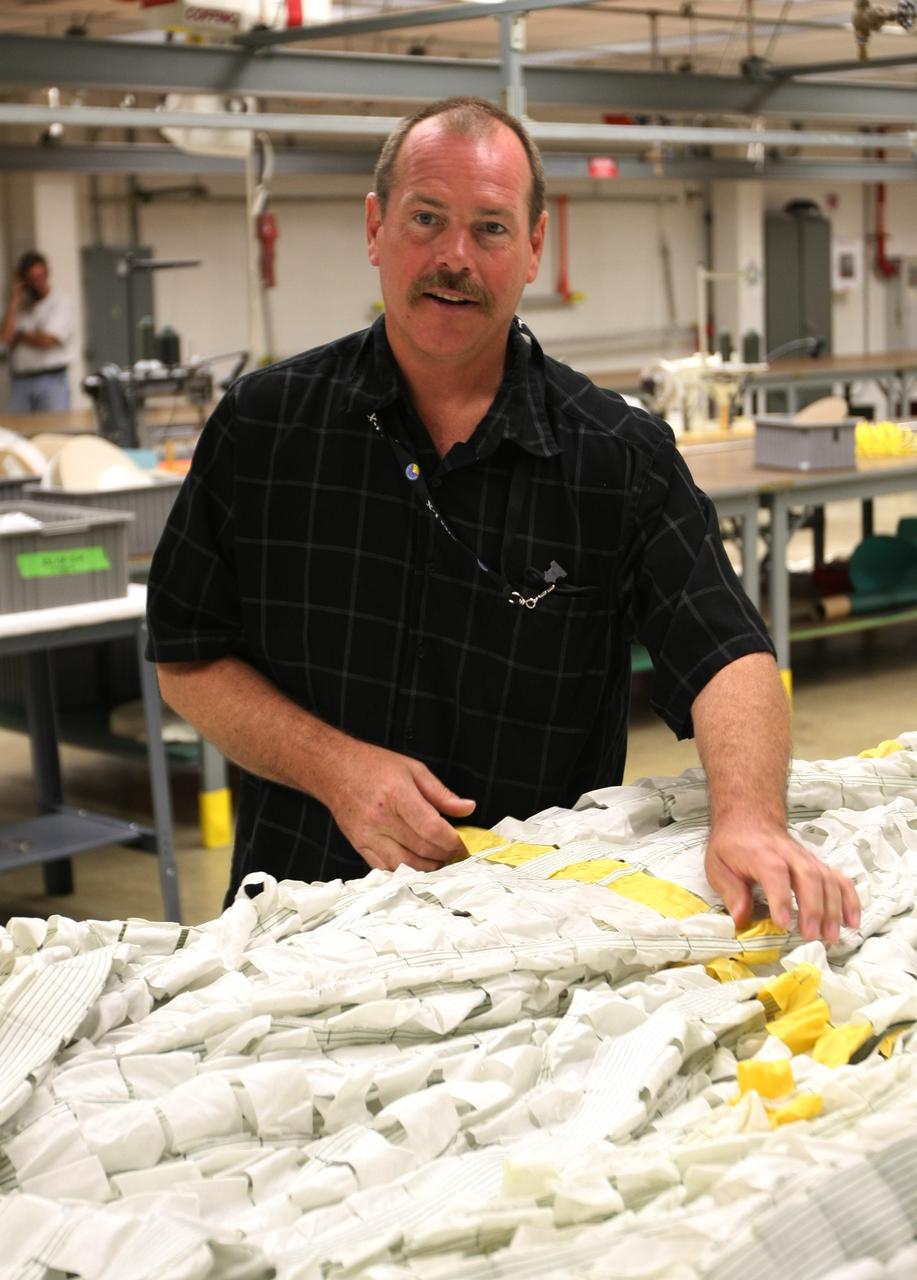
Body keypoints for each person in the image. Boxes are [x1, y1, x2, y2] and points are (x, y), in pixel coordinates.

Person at [147, 96, 860, 943]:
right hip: (297, 917)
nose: (453, 257)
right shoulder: (265, 426)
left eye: (489, 228)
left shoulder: (615, 457)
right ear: (375, 228)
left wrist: (749, 817)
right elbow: (188, 657)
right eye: (425, 219)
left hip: (531, 929)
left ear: (533, 248)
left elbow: (724, 652)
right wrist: (336, 769)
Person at [2, 250, 74, 413]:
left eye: (41, 277)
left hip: (52, 380)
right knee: (18, 433)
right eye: (32, 279)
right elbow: (5, 338)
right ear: (23, 281)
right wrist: (14, 301)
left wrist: (20, 336)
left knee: (54, 432)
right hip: (21, 381)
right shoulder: (19, 307)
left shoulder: (60, 302)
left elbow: (47, 341)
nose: (38, 283)